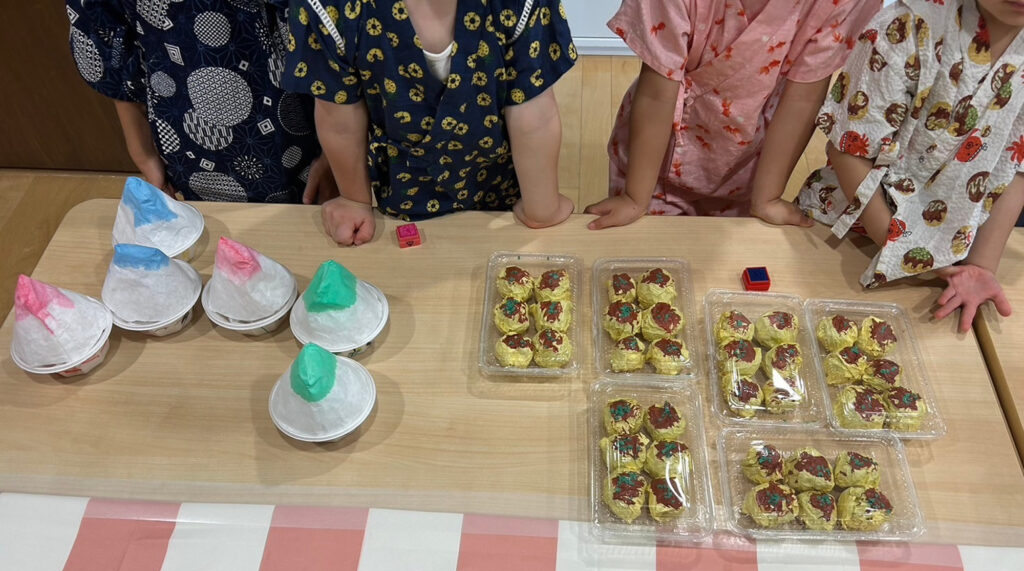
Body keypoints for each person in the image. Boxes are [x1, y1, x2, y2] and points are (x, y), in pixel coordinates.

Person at [799, 0, 1024, 333]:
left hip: (949, 257)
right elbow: (850, 149)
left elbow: (1014, 169)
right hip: (846, 228)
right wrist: (904, 252)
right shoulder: (907, 25)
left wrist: (980, 268)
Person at [282, 0, 577, 245]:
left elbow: (534, 114)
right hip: (401, 192)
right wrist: (354, 200)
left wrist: (541, 206)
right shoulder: (328, 8)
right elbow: (339, 118)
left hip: (499, 190)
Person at [584, 0, 882, 230]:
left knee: (729, 271)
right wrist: (635, 198)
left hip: (749, 164)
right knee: (648, 251)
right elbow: (656, 93)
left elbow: (803, 98)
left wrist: (767, 197)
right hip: (654, 164)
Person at [67, 0, 335, 204]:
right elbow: (103, 33)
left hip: (298, 118)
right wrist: (143, 153)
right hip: (183, 131)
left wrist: (334, 154)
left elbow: (326, 28)